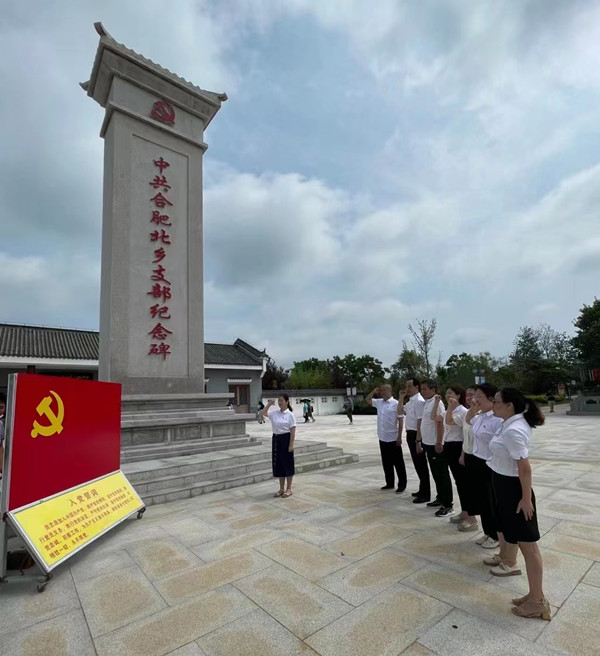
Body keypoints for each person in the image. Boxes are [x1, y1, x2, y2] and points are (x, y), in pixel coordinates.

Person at [488, 388, 550, 620]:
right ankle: (535, 594)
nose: (493, 404)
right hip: (505, 486)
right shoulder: (508, 424)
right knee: (524, 542)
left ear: (509, 405)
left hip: (514, 491)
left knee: (528, 546)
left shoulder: (513, 430)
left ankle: (537, 602)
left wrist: (525, 499)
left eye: (496, 401)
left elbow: (524, 468)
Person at [467, 383, 503, 549]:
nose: (475, 399)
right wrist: (474, 407)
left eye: (479, 396)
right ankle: (488, 531)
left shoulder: (497, 420)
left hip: (489, 465)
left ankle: (496, 536)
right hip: (476, 460)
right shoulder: (480, 415)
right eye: (475, 396)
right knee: (481, 501)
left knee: (491, 502)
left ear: (491, 398)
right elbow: (468, 420)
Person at [417, 381, 453, 516]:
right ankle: (440, 498)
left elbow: (440, 424)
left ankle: (447, 504)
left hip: (435, 444)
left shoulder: (438, 403)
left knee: (442, 474)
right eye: (422, 389)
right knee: (436, 474)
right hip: (428, 443)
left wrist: (439, 442)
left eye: (425, 389)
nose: (423, 392)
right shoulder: (428, 402)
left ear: (433, 389)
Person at [443, 385, 474, 528]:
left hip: (459, 447)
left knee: (464, 483)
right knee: (459, 482)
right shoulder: (452, 410)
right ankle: (465, 512)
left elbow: (450, 422)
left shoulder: (463, 411)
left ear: (458, 395)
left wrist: (450, 407)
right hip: (450, 445)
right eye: (446, 393)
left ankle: (471, 515)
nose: (447, 396)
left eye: (450, 393)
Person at [366, 384, 406, 493]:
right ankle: (389, 483)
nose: (382, 392)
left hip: (393, 438)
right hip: (382, 437)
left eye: (384, 390)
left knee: (398, 463)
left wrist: (399, 436)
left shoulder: (396, 403)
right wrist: (373, 391)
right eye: (381, 390)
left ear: (390, 391)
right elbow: (368, 400)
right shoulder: (379, 402)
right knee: (386, 463)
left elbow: (401, 421)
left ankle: (402, 485)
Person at [397, 379, 430, 503]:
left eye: (410, 386)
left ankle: (425, 494)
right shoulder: (411, 401)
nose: (407, 389)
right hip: (410, 434)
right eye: (406, 386)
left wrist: (418, 440)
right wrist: (401, 398)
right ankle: (422, 490)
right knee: (417, 464)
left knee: (421, 465)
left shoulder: (419, 401)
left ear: (417, 387)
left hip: (417, 435)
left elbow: (420, 421)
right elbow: (400, 411)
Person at [263, 394, 296, 498]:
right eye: (278, 401)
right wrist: (269, 404)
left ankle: (289, 489)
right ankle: (281, 488)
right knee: (279, 464)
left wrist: (291, 445)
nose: (280, 403)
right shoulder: (275, 413)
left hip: (286, 439)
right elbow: (263, 413)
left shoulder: (290, 415)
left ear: (287, 402)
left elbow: (292, 431)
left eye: (281, 401)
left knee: (287, 464)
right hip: (276, 440)